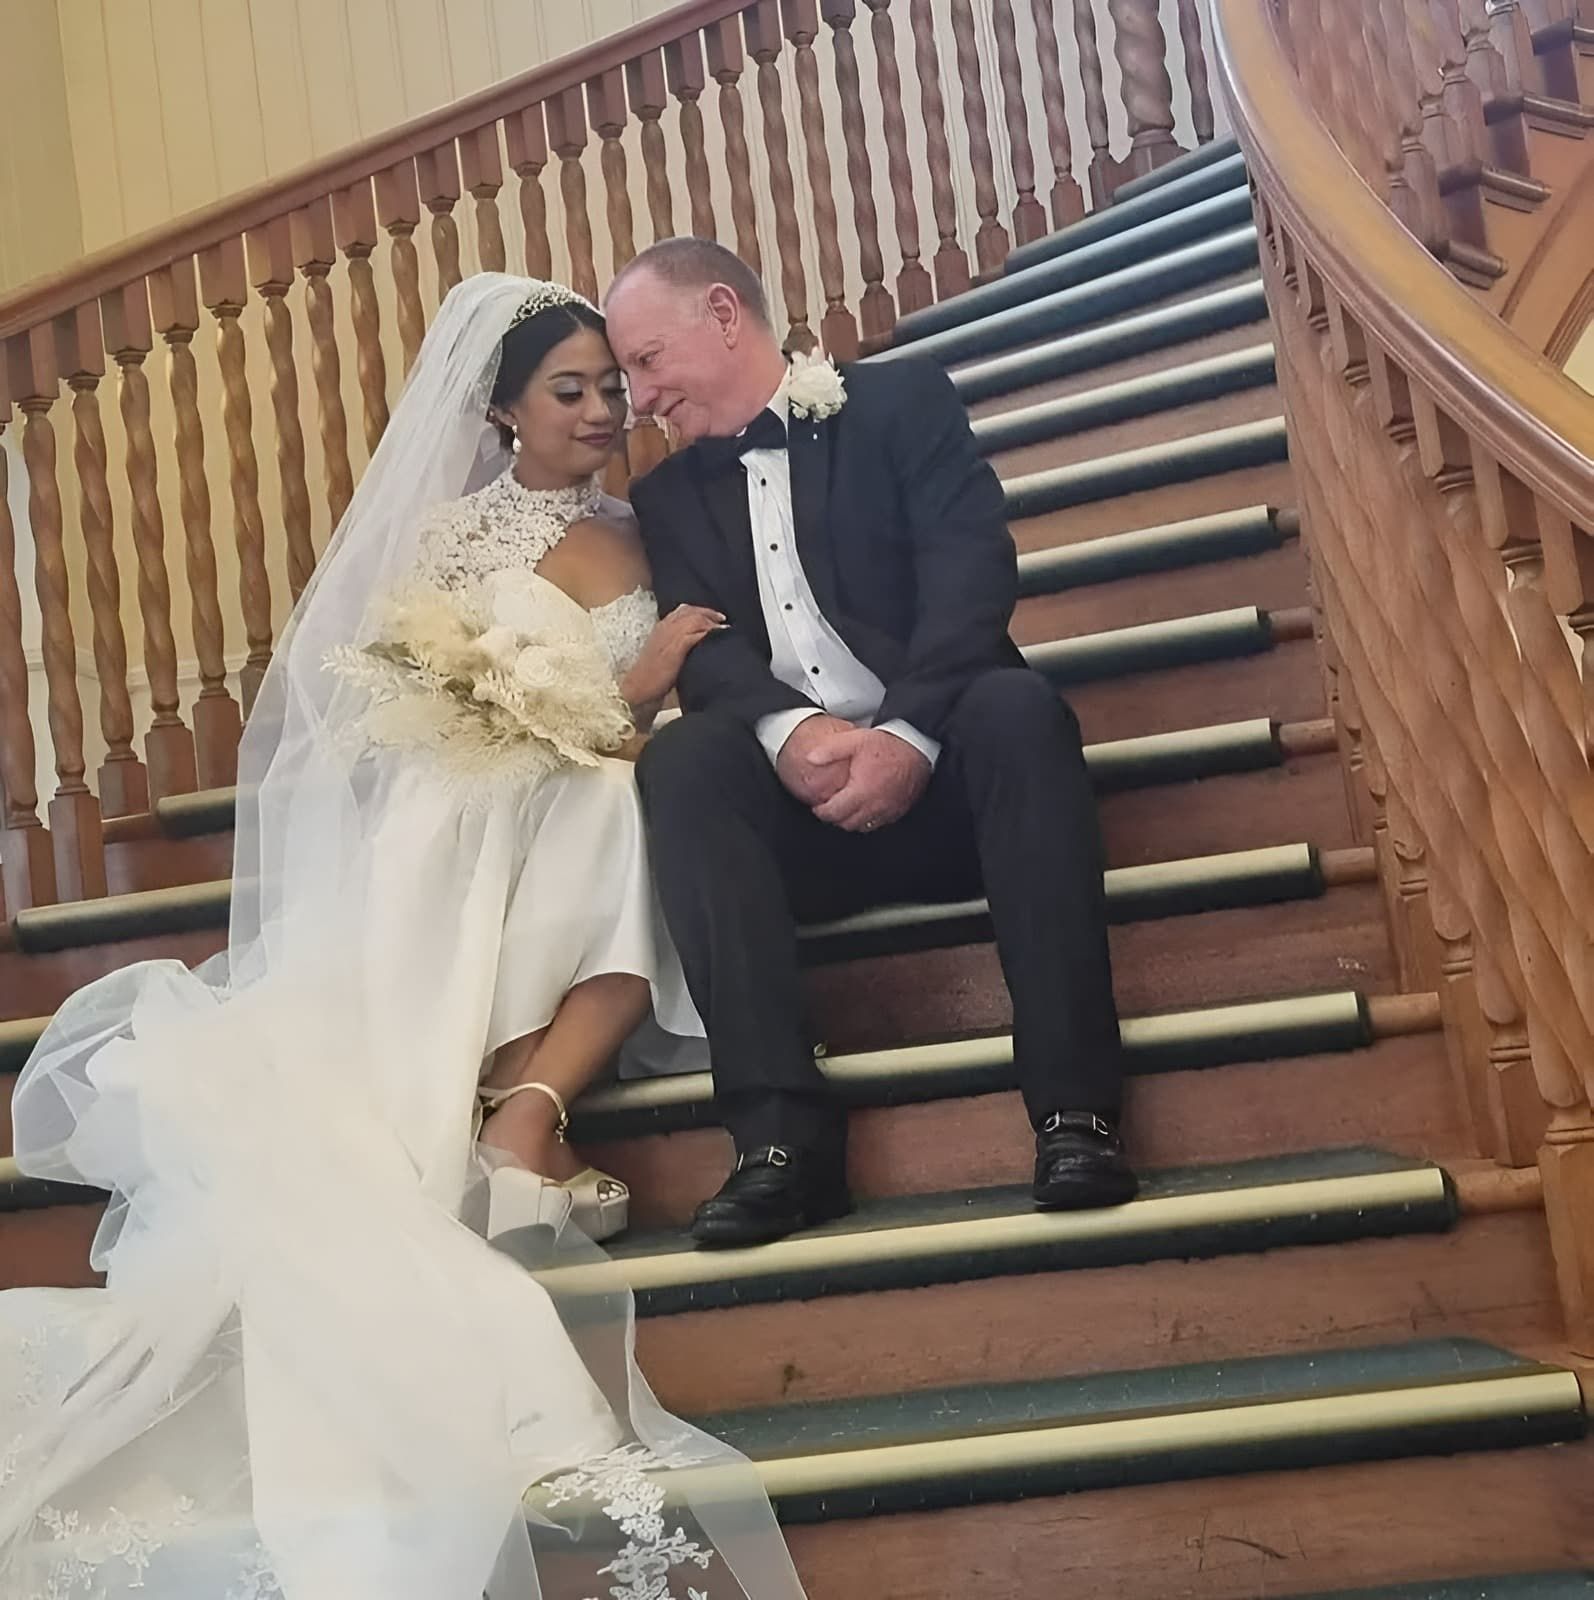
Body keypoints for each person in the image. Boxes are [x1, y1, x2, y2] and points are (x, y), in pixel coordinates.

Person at [0, 275, 806, 1600]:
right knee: (576, 800)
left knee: (622, 799)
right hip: (469, 793)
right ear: (499, 408)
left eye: (614, 387)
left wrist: (627, 704)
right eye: (572, 391)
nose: (605, 411)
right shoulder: (446, 546)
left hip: (601, 776)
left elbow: (656, 705)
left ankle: (528, 1101)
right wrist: (585, 699)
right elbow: (395, 713)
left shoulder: (649, 526)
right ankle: (512, 1093)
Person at [604, 238, 1139, 1251]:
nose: (637, 398)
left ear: (724, 314)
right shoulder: (666, 498)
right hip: (799, 817)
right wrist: (789, 729)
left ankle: (1076, 1113)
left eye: (645, 361)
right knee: (684, 761)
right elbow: (704, 651)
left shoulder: (899, 405)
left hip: (945, 786)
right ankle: (780, 1148)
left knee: (1018, 710)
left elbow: (971, 578)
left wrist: (902, 735)